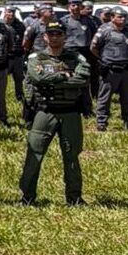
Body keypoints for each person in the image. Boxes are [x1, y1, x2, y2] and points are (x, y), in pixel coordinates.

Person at [20, 21, 90, 205]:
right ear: (45, 37)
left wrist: (52, 80)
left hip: (70, 113)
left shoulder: (76, 58)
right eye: (51, 34)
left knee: (72, 156)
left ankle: (74, 198)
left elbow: (82, 79)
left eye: (58, 34)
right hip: (45, 112)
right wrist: (64, 75)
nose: (55, 37)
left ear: (65, 37)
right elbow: (37, 77)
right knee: (34, 154)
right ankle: (27, 197)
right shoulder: (37, 58)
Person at [90, 7, 128, 131]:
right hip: (110, 70)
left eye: (124, 17)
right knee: (105, 98)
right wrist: (102, 60)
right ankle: (102, 123)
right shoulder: (104, 30)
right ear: (112, 17)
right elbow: (93, 47)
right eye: (119, 17)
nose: (123, 19)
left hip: (127, 70)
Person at [62, 0, 97, 113]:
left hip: (85, 53)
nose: (76, 7)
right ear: (69, 7)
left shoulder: (88, 20)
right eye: (73, 5)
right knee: (70, 79)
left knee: (85, 80)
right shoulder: (63, 21)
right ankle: (71, 107)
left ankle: (87, 109)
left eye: (78, 5)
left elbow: (94, 36)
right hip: (69, 53)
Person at [2, 6, 26, 105]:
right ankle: (0, 96)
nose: (11, 14)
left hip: (17, 55)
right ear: (4, 12)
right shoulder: (0, 24)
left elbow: (24, 38)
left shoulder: (20, 25)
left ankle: (19, 97)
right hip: (5, 56)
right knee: (2, 79)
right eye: (9, 11)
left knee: (19, 78)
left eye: (13, 12)